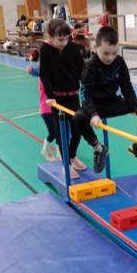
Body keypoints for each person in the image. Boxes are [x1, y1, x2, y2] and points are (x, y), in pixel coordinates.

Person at [70, 26, 137, 173]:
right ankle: (98, 148)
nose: (110, 57)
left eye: (114, 53)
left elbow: (126, 87)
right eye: (106, 53)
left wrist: (136, 108)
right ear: (95, 48)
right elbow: (85, 93)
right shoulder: (91, 66)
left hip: (114, 102)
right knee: (78, 117)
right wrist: (93, 114)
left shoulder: (119, 62)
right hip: (96, 107)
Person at [39, 18, 86, 178]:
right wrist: (50, 96)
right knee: (61, 134)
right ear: (50, 36)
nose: (64, 42)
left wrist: (88, 88)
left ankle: (72, 156)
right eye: (60, 39)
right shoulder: (46, 50)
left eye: (67, 38)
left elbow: (82, 70)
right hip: (57, 100)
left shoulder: (72, 48)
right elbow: (45, 75)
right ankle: (66, 164)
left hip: (73, 96)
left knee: (78, 129)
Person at [26, 49, 59, 162]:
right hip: (46, 109)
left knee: (59, 132)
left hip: (54, 108)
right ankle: (45, 150)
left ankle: (59, 152)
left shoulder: (48, 75)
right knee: (53, 133)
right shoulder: (44, 78)